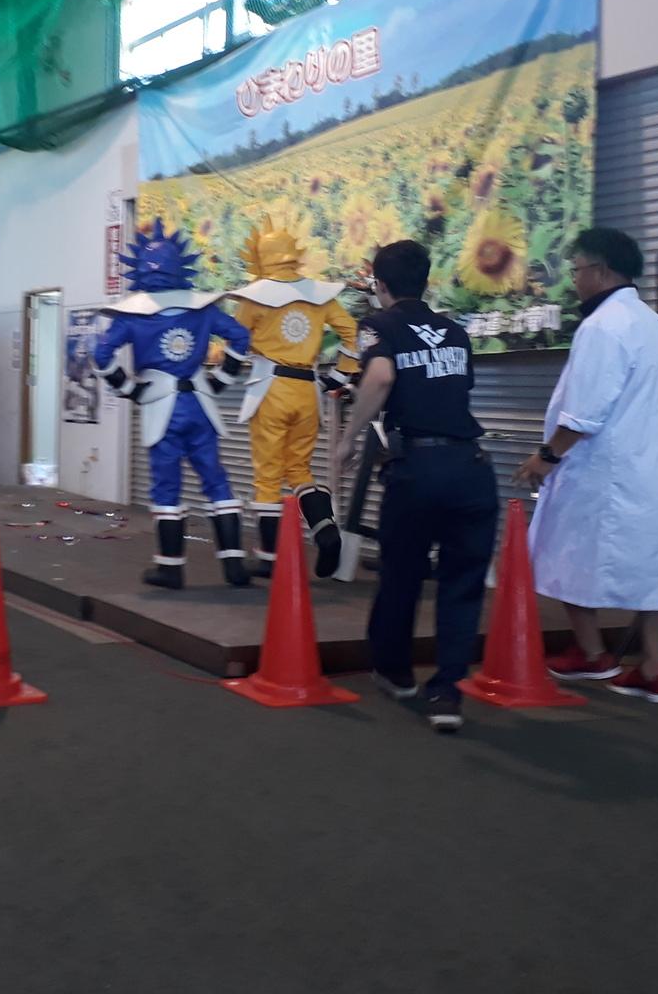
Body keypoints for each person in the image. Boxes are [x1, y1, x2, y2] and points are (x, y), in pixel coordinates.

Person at [516, 227, 658, 703]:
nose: (574, 280)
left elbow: (585, 411)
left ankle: (593, 653)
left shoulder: (602, 327)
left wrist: (546, 457)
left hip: (602, 469)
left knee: (563, 552)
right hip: (655, 467)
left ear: (601, 271)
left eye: (576, 271)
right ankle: (652, 670)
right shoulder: (655, 324)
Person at [335, 240, 499, 733]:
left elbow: (381, 377)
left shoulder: (378, 325)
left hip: (418, 468)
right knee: (461, 583)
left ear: (379, 285)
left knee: (401, 573)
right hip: (471, 466)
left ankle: (396, 672)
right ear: (426, 282)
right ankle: (447, 692)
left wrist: (347, 439)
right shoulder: (456, 331)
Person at [94, 218, 251, 589]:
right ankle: (233, 565)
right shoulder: (203, 310)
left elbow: (101, 355)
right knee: (216, 481)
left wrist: (130, 389)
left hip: (159, 406)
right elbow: (241, 337)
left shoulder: (132, 314)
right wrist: (221, 380)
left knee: (166, 487)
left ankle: (170, 568)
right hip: (200, 402)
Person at [231, 215, 360, 578]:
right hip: (307, 391)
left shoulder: (254, 297)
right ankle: (325, 529)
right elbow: (352, 333)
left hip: (270, 389)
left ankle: (269, 558)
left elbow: (235, 340)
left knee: (268, 476)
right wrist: (339, 375)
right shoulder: (320, 295)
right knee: (299, 469)